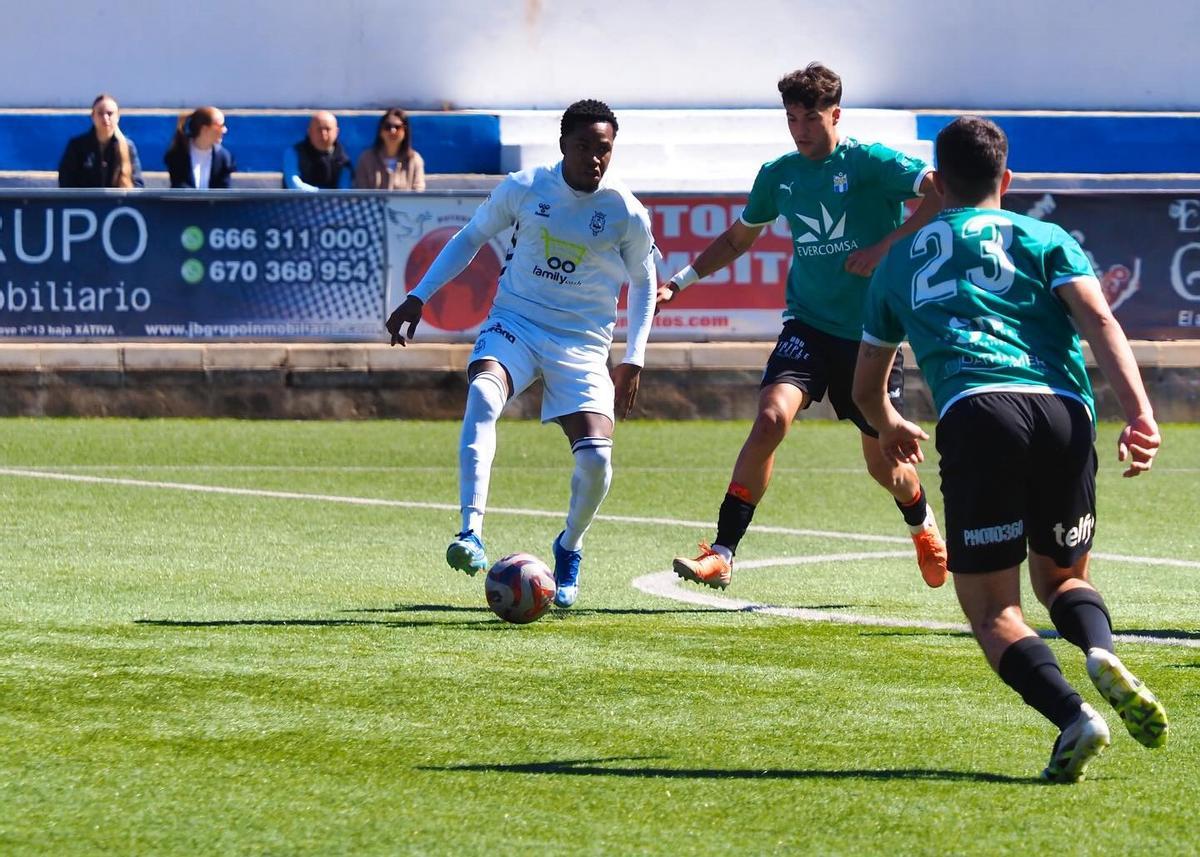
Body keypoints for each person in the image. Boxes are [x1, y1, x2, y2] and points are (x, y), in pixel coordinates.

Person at [852, 115, 1168, 783]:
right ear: (1008, 178)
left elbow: (865, 386)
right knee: (1063, 579)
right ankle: (1101, 650)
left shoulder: (899, 260)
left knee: (994, 609)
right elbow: (1099, 320)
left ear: (936, 184)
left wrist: (888, 422)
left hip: (979, 413)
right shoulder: (1046, 236)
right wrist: (1140, 413)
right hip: (1064, 411)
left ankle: (1073, 715)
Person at [657, 63, 947, 591]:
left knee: (884, 467)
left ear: (836, 114)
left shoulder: (871, 162)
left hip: (872, 336)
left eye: (810, 118)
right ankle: (723, 552)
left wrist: (885, 247)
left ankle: (922, 524)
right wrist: (679, 282)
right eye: (791, 118)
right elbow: (738, 239)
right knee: (770, 420)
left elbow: (941, 192)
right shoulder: (779, 174)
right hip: (807, 326)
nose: (800, 130)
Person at [385, 99, 657, 609]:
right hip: (516, 324)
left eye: (603, 149)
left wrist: (634, 356)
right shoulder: (526, 186)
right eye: (584, 147)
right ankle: (471, 531)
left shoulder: (625, 211)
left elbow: (644, 281)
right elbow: (470, 237)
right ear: (563, 145)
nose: (594, 158)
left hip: (582, 343)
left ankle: (569, 546)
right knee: (483, 397)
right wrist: (419, 295)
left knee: (597, 460)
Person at [57, 93, 144, 188]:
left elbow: (138, 185)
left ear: (118, 117)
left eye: (110, 113)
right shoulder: (77, 146)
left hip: (118, 198)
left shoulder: (128, 147)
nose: (105, 118)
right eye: (100, 113)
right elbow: (66, 182)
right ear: (92, 116)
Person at [163, 106, 236, 189]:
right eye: (221, 125)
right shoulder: (177, 155)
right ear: (205, 129)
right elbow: (179, 186)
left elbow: (223, 189)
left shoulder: (224, 158)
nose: (224, 130)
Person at [354, 108, 425, 191]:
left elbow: (418, 192)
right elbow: (360, 191)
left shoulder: (414, 160)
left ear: (405, 132)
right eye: (387, 127)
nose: (392, 131)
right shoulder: (366, 159)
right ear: (381, 132)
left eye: (397, 127)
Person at [283, 111, 352, 190]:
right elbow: (294, 185)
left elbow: (344, 190)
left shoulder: (343, 160)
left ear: (336, 132)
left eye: (328, 129)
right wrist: (318, 193)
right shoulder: (294, 153)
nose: (323, 133)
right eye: (319, 129)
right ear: (309, 131)